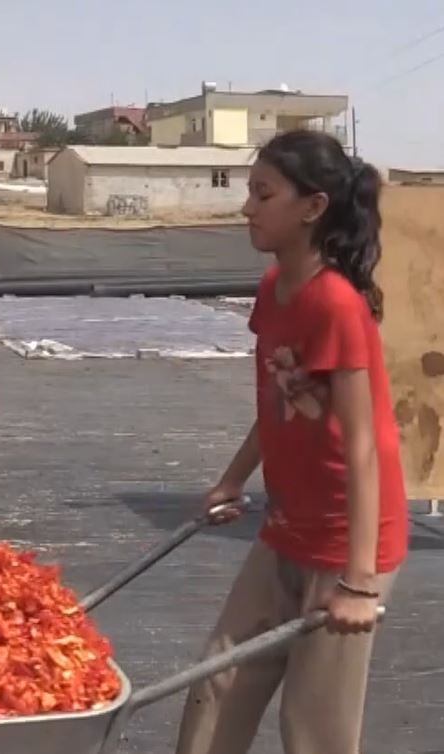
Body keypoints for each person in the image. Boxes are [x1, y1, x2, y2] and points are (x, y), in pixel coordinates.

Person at [175, 130, 408, 754]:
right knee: (218, 680)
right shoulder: (274, 289)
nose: (247, 207)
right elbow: (278, 403)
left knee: (313, 728)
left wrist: (358, 582)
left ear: (312, 207)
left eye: (262, 193)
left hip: (347, 538)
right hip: (288, 524)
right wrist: (232, 478)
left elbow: (363, 446)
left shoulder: (336, 304)